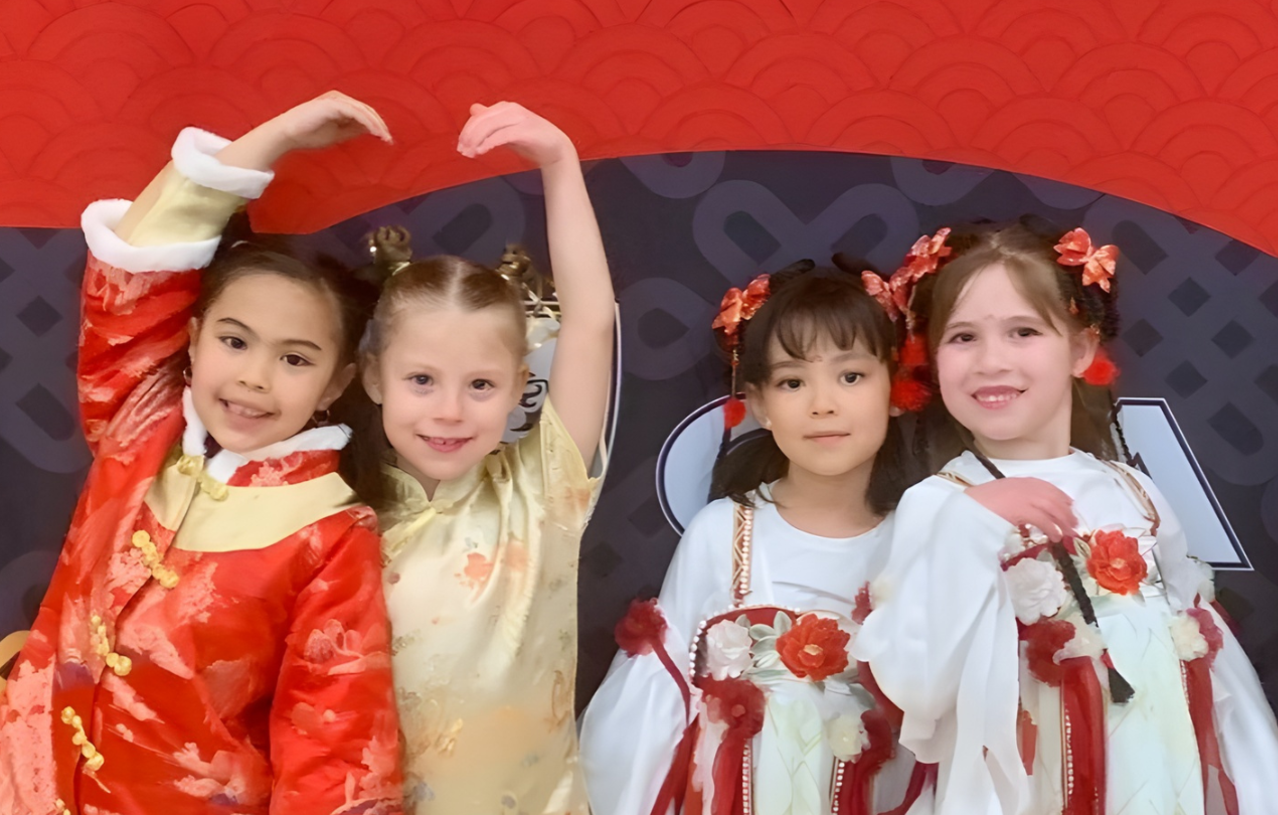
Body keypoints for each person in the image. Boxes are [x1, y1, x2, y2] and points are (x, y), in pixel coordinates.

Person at [0, 91, 403, 814]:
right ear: (191, 339)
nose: (254, 377)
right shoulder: (141, 422)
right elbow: (133, 278)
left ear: (337, 383)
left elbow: (335, 748)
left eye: (295, 358)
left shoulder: (331, 534)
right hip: (25, 783)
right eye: (234, 340)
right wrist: (274, 136)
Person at [855, 221, 1278, 815]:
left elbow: (1209, 657)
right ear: (931, 359)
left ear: (1081, 349)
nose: (991, 361)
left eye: (1023, 332)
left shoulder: (1133, 491)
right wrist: (970, 526)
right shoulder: (941, 501)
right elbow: (917, 686)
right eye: (963, 337)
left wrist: (1262, 781)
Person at [581, 259, 925, 815]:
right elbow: (652, 714)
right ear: (759, 403)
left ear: (895, 386)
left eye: (851, 376)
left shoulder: (923, 539)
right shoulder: (723, 533)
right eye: (793, 382)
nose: (823, 403)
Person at [359, 101, 617, 814]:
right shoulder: (336, 517)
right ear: (375, 378)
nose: (449, 410)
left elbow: (590, 325)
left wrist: (559, 163)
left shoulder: (541, 492)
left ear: (519, 386)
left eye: (480, 385)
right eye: (421, 380)